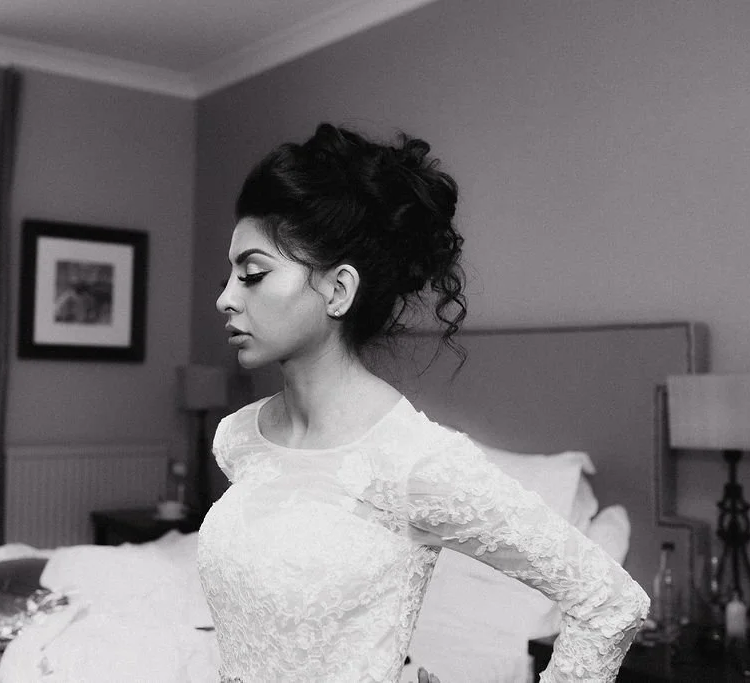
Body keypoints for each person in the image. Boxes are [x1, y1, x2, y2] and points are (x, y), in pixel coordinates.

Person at [196, 123, 649, 682]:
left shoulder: (413, 461)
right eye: (229, 275)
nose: (225, 298)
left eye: (253, 274)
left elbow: (610, 602)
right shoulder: (239, 440)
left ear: (337, 290)